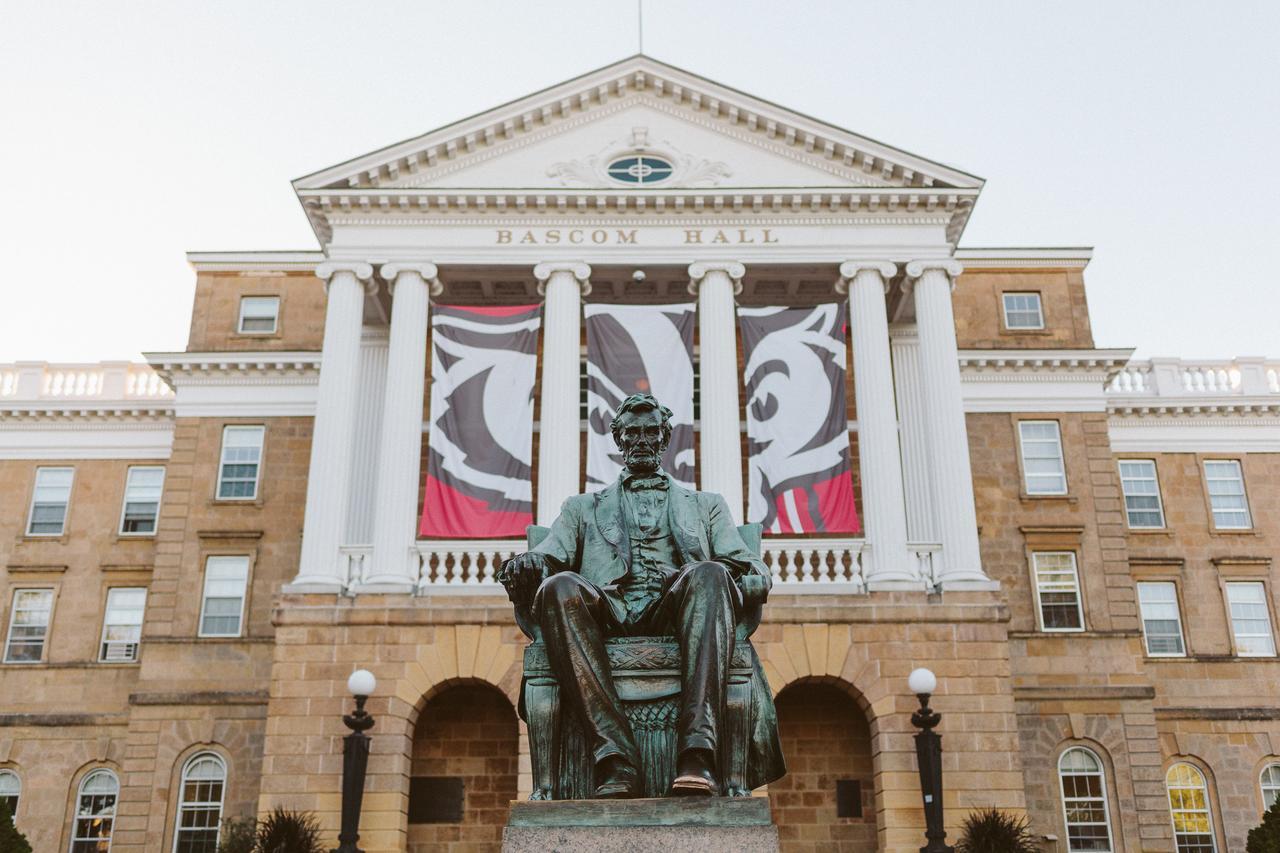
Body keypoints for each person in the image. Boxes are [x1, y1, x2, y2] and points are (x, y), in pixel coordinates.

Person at [498, 393, 773, 798]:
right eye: (632, 433)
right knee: (559, 588)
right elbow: (548, 558)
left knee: (711, 573)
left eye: (650, 432)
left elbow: (752, 570)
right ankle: (614, 757)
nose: (641, 440)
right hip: (609, 608)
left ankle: (697, 754)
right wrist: (524, 566)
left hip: (679, 605)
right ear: (619, 440)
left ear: (664, 439)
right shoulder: (582, 507)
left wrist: (737, 584)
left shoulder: (707, 505)